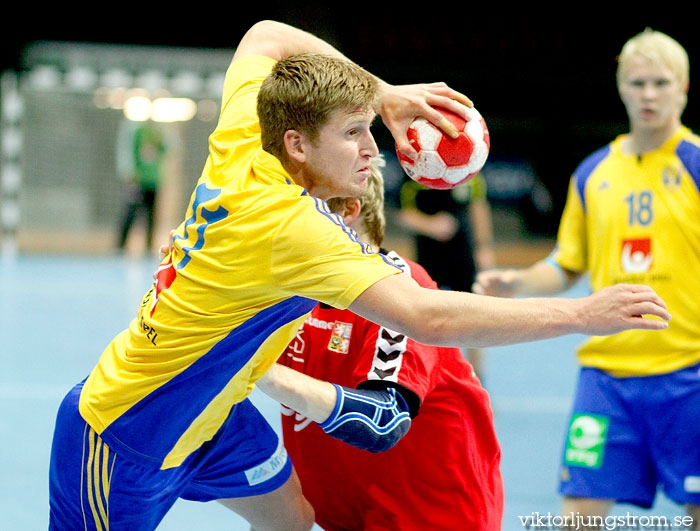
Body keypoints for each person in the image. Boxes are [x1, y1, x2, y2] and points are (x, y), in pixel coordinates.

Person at [48, 21, 671, 531]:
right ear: (297, 144)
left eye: (368, 129)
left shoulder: (247, 136)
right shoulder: (291, 229)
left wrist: (386, 94)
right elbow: (426, 316)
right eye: (353, 133)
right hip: (129, 432)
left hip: (217, 412)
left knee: (293, 518)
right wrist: (583, 314)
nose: (375, 151)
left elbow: (265, 35)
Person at [474, 28, 700, 525]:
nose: (648, 95)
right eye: (637, 83)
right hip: (606, 379)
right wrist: (518, 283)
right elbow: (567, 264)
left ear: (683, 88)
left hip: (689, 376)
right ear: (621, 87)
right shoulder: (593, 172)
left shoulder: (696, 164)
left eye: (661, 83)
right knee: (577, 516)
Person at [257, 157, 503, 530]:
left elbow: (383, 420)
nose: (278, 228)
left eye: (295, 212)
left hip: (432, 517)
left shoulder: (400, 293)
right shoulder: (286, 293)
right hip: (347, 513)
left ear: (347, 213)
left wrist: (257, 370)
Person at [397, 173, 495, 377]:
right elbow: (404, 215)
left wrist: (484, 247)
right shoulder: (414, 178)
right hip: (429, 260)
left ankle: (477, 376)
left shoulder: (470, 174)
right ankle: (426, 375)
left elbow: (479, 209)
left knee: (474, 315)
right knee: (425, 317)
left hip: (464, 257)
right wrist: (430, 225)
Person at [116, 120, 167, 252]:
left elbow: (167, 149)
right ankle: (120, 245)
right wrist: (130, 175)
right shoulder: (136, 132)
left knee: (151, 216)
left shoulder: (158, 133)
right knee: (131, 212)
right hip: (138, 180)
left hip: (153, 181)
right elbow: (129, 153)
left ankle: (148, 246)